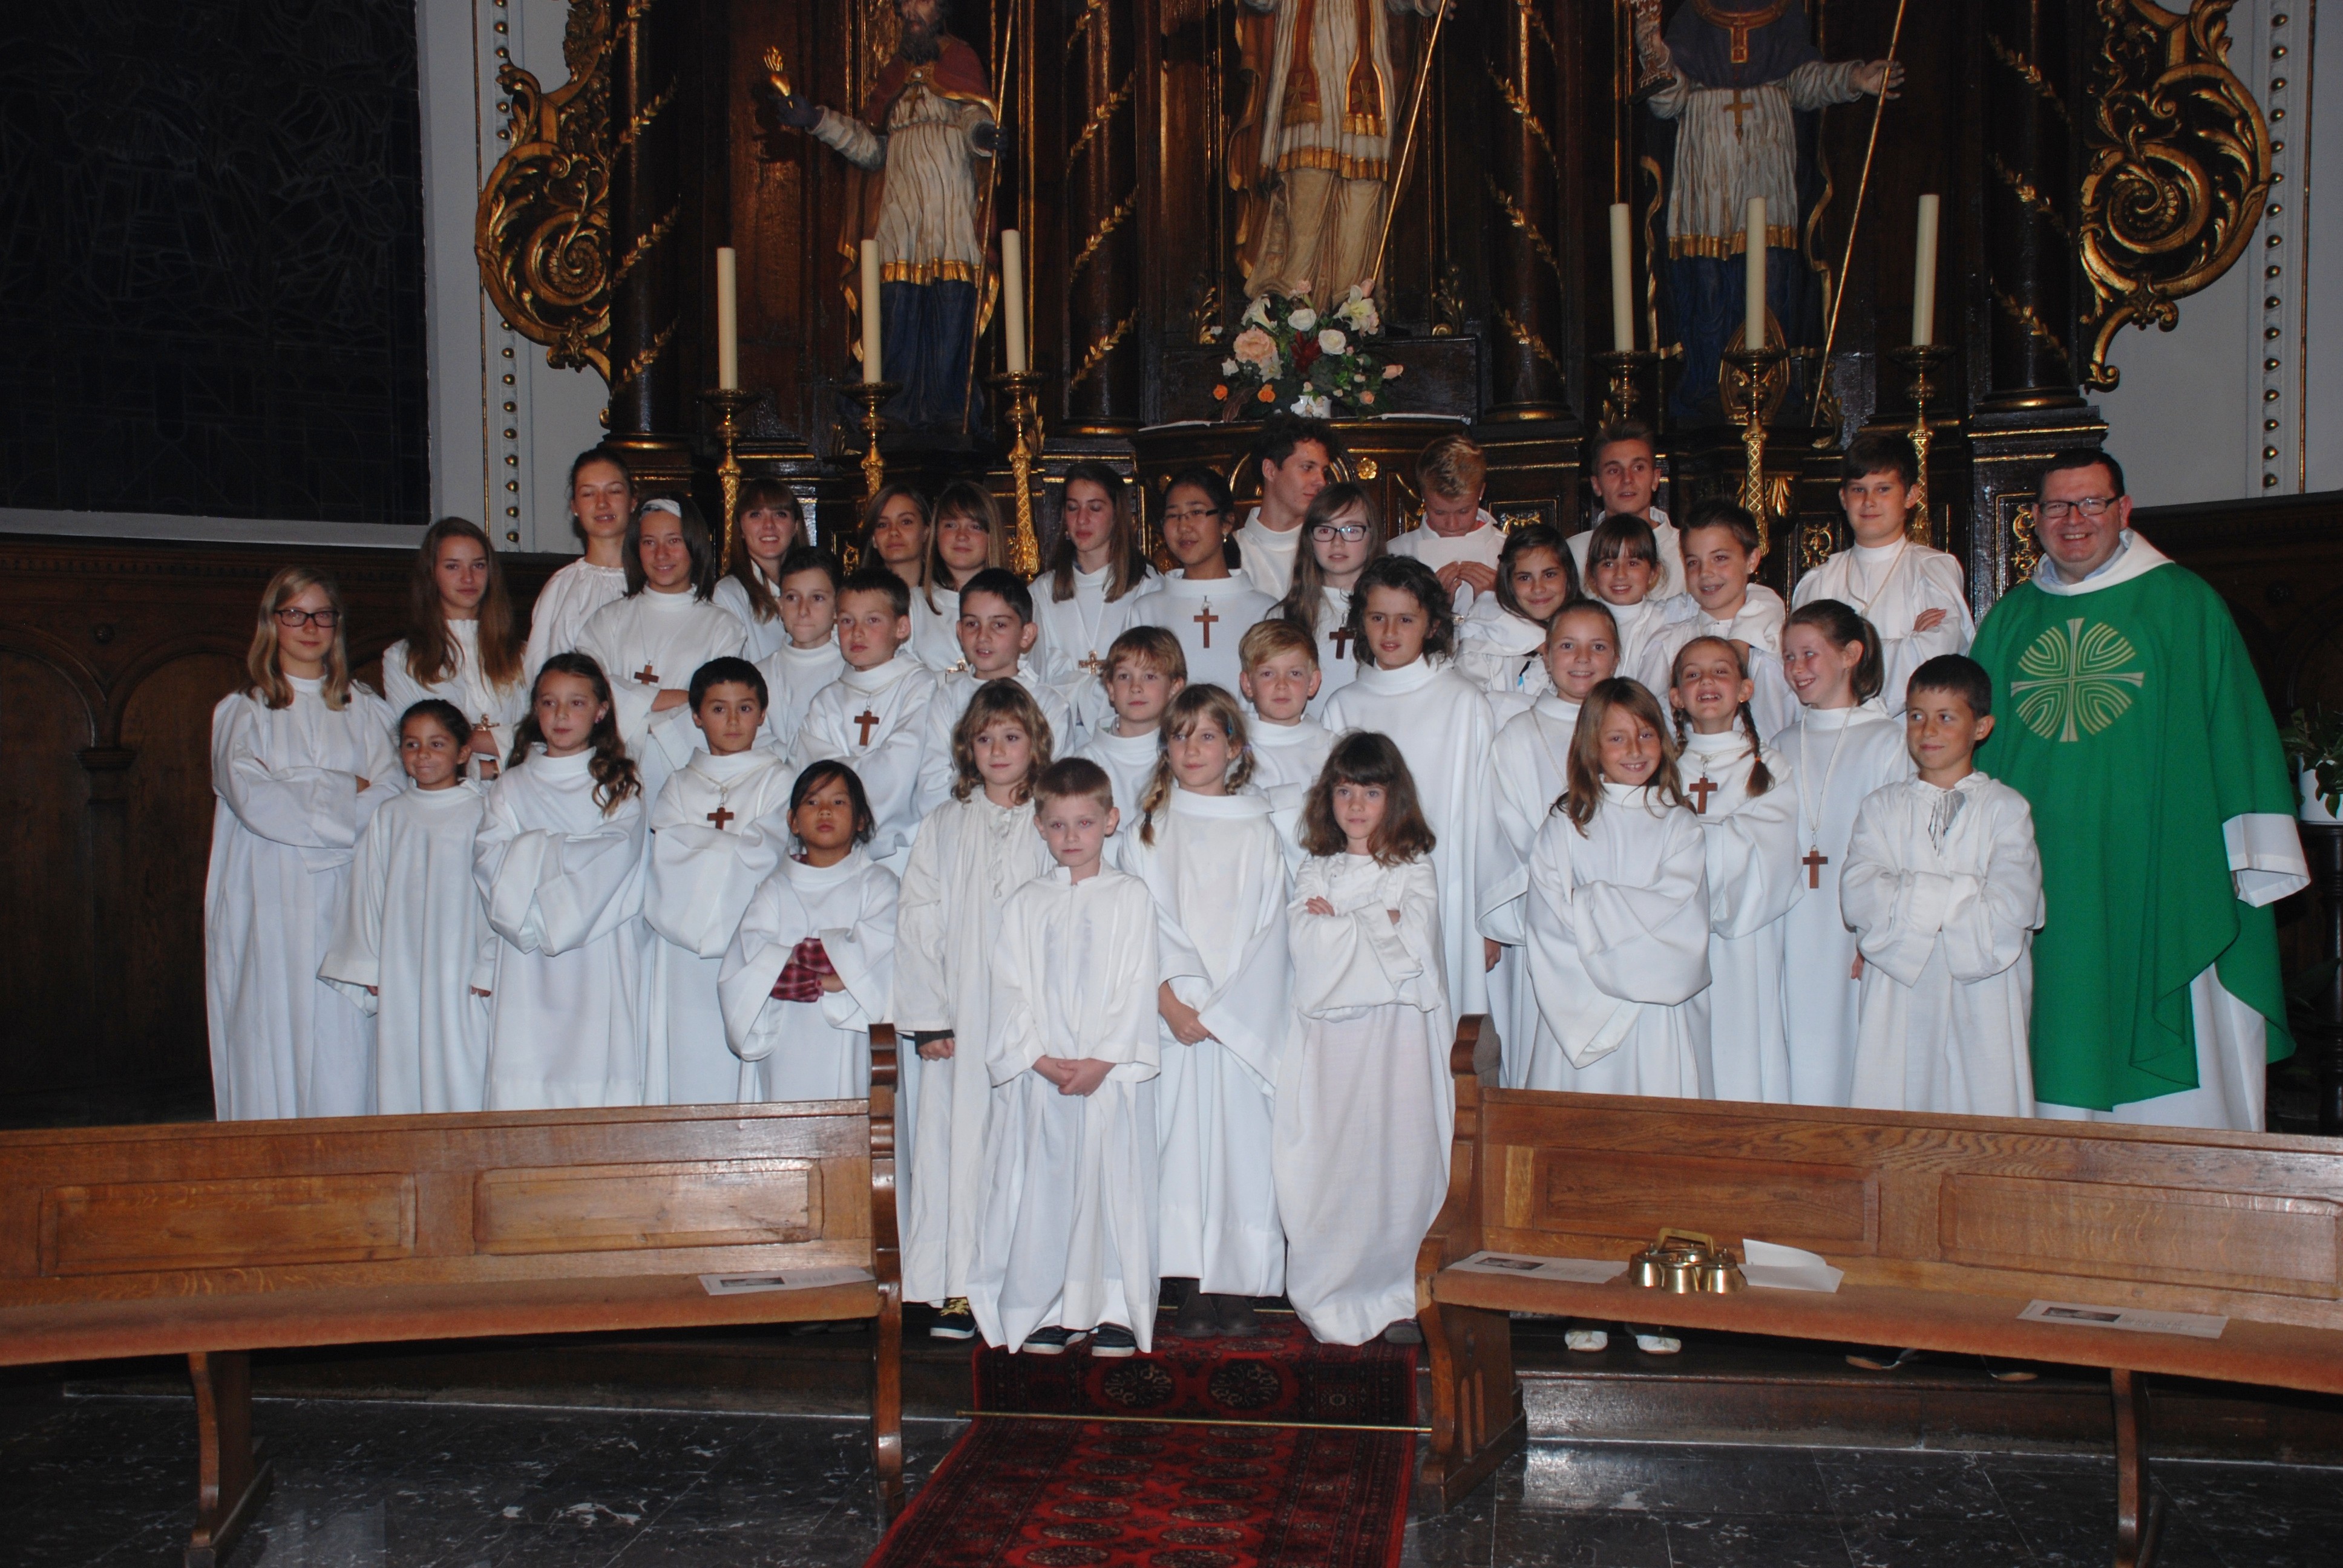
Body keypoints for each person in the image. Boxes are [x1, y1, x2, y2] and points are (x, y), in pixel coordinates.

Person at [1970, 449, 2306, 1131]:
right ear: (2034, 518)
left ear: (2123, 510)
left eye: (2090, 503)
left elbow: (2233, 725)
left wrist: (2253, 849)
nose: (2073, 520)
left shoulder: (2182, 603)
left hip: (2162, 864)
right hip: (2036, 870)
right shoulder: (2009, 621)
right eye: (2057, 506)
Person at [969, 757, 1162, 1357]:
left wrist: (1104, 1059)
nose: (1071, 837)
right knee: (1046, 1192)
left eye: (1084, 823)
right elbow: (1007, 987)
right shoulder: (1027, 902)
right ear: (1039, 827)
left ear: (1111, 820)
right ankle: (1048, 1307)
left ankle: (1113, 1310)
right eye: (1057, 825)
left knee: (1111, 1189)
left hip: (1110, 1078)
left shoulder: (1130, 897)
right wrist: (1037, 1057)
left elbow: (1139, 982)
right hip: (1045, 1078)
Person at [1118, 685, 1293, 1338]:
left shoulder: (1258, 831)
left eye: (1208, 735)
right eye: (1180, 735)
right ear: (1164, 749)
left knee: (1241, 1150)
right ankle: (1187, 1282)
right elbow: (1137, 924)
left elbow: (1272, 932)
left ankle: (1236, 1284)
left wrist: (1230, 1011)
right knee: (1179, 1147)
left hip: (1238, 1023)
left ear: (1236, 749)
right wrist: (1168, 1001)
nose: (1192, 748)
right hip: (1173, 1020)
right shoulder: (1146, 834)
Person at [893, 681, 1059, 1339]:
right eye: (984, 738)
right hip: (961, 1018)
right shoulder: (945, 822)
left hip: (1034, 1017)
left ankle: (1035, 1290)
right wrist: (929, 1016)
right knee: (958, 1150)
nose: (997, 750)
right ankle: (958, 1286)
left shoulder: (1052, 820)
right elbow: (918, 918)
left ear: (1035, 743)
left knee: (1032, 1150)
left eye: (1011, 737)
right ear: (967, 747)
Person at [1276, 732, 1453, 1347]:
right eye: (1345, 791)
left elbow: (1418, 941)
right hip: (1332, 1048)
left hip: (1399, 1045)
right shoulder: (1315, 868)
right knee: (1334, 1165)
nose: (1355, 806)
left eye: (1371, 792)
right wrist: (1380, 923)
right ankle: (1333, 1292)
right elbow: (1308, 948)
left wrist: (1347, 925)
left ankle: (1399, 1292)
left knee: (1398, 1163)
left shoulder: (1414, 867)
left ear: (1393, 798)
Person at [206, 566, 399, 1121]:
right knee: (271, 1019)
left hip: (348, 887)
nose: (310, 627)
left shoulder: (366, 708)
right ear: (272, 622)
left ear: (337, 625)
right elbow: (254, 798)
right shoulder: (244, 710)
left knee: (343, 1032)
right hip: (271, 889)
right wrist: (342, 787)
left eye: (322, 615)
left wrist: (299, 786)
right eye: (294, 614)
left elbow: (391, 793)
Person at [766, 0, 998, 431]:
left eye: (920, 2)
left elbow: (974, 118)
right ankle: (892, 412)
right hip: (899, 214)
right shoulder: (893, 74)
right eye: (903, 4)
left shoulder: (961, 59)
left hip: (949, 208)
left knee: (952, 309)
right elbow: (871, 149)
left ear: (942, 7)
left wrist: (985, 133)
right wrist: (816, 120)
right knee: (895, 311)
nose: (910, 11)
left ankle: (948, 413)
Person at [1842, 654, 2044, 1117]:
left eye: (1946, 717)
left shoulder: (2006, 810)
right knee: (1897, 1108)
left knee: (1984, 1107)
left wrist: (1910, 895)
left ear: (1982, 727)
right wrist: (1965, 892)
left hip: (1985, 992)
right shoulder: (1881, 808)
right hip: (1899, 991)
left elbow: (2011, 905)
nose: (1927, 730)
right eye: (1916, 716)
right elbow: (1860, 892)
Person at [1322, 555, 1497, 1019]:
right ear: (1361, 624)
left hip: (1448, 891)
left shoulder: (1463, 702)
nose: (1390, 631)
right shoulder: (1343, 706)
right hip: (1361, 897)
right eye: (1377, 617)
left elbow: (1486, 819)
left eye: (1406, 619)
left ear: (1433, 625)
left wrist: (1486, 919)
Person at [474, 653, 649, 1109]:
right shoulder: (510, 786)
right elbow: (489, 860)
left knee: (594, 1066)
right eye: (549, 703)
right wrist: (559, 859)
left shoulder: (617, 786)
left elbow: (616, 855)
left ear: (601, 711)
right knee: (525, 1066)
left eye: (577, 703)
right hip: (524, 958)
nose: (561, 715)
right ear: (536, 709)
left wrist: (534, 855)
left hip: (599, 950)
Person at [320, 699, 496, 1115]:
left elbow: (496, 893)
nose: (423, 755)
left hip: (460, 965)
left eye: (437, 744)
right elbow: (369, 890)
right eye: (412, 745)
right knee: (406, 1063)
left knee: (463, 1062)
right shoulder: (390, 815)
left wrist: (490, 963)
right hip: (403, 968)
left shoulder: (482, 812)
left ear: (463, 752)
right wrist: (368, 963)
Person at [1771, 600, 1912, 1106]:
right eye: (1789, 657)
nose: (1797, 668)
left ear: (1851, 654)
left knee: (1852, 1050)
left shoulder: (1888, 742)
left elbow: (1902, 847)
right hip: (1790, 924)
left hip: (1851, 928)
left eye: (1809, 654)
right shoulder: (1780, 744)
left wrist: (1876, 933)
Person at [641, 659, 799, 1106]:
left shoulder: (781, 781)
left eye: (745, 708)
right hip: (680, 956)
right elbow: (666, 857)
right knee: (684, 1056)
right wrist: (732, 848)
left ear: (763, 714)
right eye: (717, 709)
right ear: (695, 716)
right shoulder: (678, 785)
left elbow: (769, 853)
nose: (732, 721)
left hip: (751, 940)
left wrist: (702, 848)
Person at [1479, 601, 1621, 1087]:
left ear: (1617, 656)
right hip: (1547, 924)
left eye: (1597, 647)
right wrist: (1563, 894)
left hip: (1622, 925)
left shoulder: (1633, 732)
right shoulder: (1518, 737)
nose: (1582, 659)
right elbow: (1504, 828)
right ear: (1544, 654)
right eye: (1567, 646)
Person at [719, 761, 899, 1103]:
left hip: (853, 1041)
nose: (825, 811)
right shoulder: (774, 889)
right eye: (812, 802)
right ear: (793, 821)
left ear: (861, 819)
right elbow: (749, 963)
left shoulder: (878, 885)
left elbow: (884, 956)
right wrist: (832, 975)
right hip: (785, 1042)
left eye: (839, 802)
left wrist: (795, 961)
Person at [1669, 636, 1800, 1105]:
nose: (1707, 681)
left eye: (1720, 671)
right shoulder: (1659, 769)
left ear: (1745, 689)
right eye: (1692, 674)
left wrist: (1689, 843)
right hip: (1676, 942)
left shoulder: (1771, 768)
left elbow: (1772, 851)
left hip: (1747, 942)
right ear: (1676, 697)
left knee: (1743, 1057)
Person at [574, 497, 749, 806]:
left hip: (687, 771)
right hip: (613, 768)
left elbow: (720, 703)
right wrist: (677, 697)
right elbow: (587, 689)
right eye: (649, 542)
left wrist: (633, 701)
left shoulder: (724, 627)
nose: (661, 554)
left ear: (694, 544)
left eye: (674, 541)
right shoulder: (607, 620)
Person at [1792, 433, 1973, 712]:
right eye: (1858, 490)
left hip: (1904, 731)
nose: (1869, 502)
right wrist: (1904, 644)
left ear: (1911, 496)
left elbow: (1937, 657)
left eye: (1884, 489)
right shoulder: (1819, 581)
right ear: (1843, 498)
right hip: (1829, 727)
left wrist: (1841, 660)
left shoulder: (1931, 569)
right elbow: (1801, 663)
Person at [791, 567, 942, 870]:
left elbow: (901, 768)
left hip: (904, 852)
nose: (857, 633)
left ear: (902, 628)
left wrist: (845, 772)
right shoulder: (827, 701)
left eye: (872, 620)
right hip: (834, 854)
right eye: (847, 621)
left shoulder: (921, 687)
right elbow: (812, 777)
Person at [381, 517, 529, 785]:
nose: (468, 578)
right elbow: (413, 746)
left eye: (478, 565)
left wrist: (463, 738)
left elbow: (540, 735)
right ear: (432, 573)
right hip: (444, 796)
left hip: (520, 792)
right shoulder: (403, 659)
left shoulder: (523, 655)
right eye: (453, 566)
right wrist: (492, 766)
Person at [915, 568, 1075, 815]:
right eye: (972, 624)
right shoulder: (947, 699)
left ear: (1026, 635)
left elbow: (1057, 786)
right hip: (962, 825)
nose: (983, 636)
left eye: (999, 625)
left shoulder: (1050, 704)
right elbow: (932, 787)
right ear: (959, 631)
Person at [1033, 462, 1159, 737]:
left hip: (1129, 733)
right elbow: (1037, 673)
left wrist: (1074, 682)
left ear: (1116, 516)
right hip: (1060, 735)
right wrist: (1096, 688)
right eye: (1073, 507)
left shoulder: (1147, 587)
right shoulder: (1042, 592)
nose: (1082, 519)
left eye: (1095, 508)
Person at [1131, 467, 1277, 693]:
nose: (1183, 526)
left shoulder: (1265, 611)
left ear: (1226, 523)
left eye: (1197, 512)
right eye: (1173, 515)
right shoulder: (1146, 611)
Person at [1674, 498, 1795, 737]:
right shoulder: (1666, 643)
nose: (1705, 573)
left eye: (1720, 558)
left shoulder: (1774, 653)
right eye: (1693, 562)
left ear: (1752, 560)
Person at [522, 447, 635, 680]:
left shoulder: (654, 582)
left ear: (633, 501)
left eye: (614, 491)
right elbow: (538, 670)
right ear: (574, 506)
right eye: (588, 494)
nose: (602, 503)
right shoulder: (562, 587)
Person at [1271, 481, 1383, 714]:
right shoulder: (1283, 616)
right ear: (1309, 540)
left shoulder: (1389, 614)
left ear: (1371, 537)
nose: (1337, 542)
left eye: (1351, 530)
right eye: (1325, 530)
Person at [1454, 524, 1578, 721]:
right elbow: (1471, 708)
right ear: (1508, 582)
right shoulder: (1483, 638)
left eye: (1549, 575)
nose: (1538, 588)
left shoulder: (1587, 634)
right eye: (1525, 578)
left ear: (1568, 576)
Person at [1237, 619, 1334, 865]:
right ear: (1247, 684)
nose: (1282, 685)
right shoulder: (1229, 750)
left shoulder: (1334, 750)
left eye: (1294, 673)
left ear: (1313, 682)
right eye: (1268, 674)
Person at [1074, 626, 1186, 825]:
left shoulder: (1187, 757)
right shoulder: (1084, 764)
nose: (1135, 688)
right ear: (1111, 689)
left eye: (1149, 676)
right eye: (1124, 677)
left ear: (1174, 688)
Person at [911, 482, 1024, 674]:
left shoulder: (1018, 604)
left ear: (992, 536)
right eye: (951, 525)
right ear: (935, 534)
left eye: (975, 526)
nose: (962, 536)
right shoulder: (912, 605)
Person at [1387, 433, 1504, 611]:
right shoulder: (1394, 554)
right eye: (1439, 512)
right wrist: (1434, 609)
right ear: (1423, 495)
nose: (1452, 525)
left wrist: (1498, 602)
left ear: (1481, 492)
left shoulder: (1509, 551)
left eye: (1463, 511)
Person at [1568, 423, 1683, 600]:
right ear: (1597, 485)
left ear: (1655, 478)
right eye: (1614, 471)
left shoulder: (1685, 549)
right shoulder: (1574, 553)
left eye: (1638, 468)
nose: (1627, 479)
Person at [753, 545, 848, 754]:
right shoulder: (759, 675)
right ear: (779, 605)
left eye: (817, 598)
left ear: (838, 608)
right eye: (792, 598)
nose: (803, 611)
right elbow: (758, 744)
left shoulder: (851, 669)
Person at [1234, 413, 1340, 599]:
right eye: (1308, 468)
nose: (1321, 482)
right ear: (1270, 470)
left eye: (1324, 472)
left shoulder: (1333, 548)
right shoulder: (1230, 552)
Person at [1582, 515, 1683, 691]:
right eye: (1608, 564)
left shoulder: (1669, 618)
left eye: (1633, 563)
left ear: (1653, 572)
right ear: (1592, 574)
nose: (1620, 574)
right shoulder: (1578, 622)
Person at [713, 480, 808, 663]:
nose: (769, 525)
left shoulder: (815, 590)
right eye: (756, 515)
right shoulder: (728, 595)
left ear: (796, 526)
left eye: (780, 514)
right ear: (741, 528)